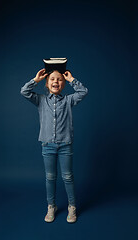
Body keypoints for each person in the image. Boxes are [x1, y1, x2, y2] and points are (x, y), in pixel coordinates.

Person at [20, 64, 88, 223]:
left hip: (65, 145)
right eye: (52, 79)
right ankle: (51, 206)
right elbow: (24, 91)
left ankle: (72, 207)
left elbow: (83, 91)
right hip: (47, 145)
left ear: (63, 83)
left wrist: (72, 79)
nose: (55, 82)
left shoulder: (69, 100)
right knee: (50, 177)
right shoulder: (41, 100)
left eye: (59, 79)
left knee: (67, 176)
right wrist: (35, 80)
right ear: (47, 83)